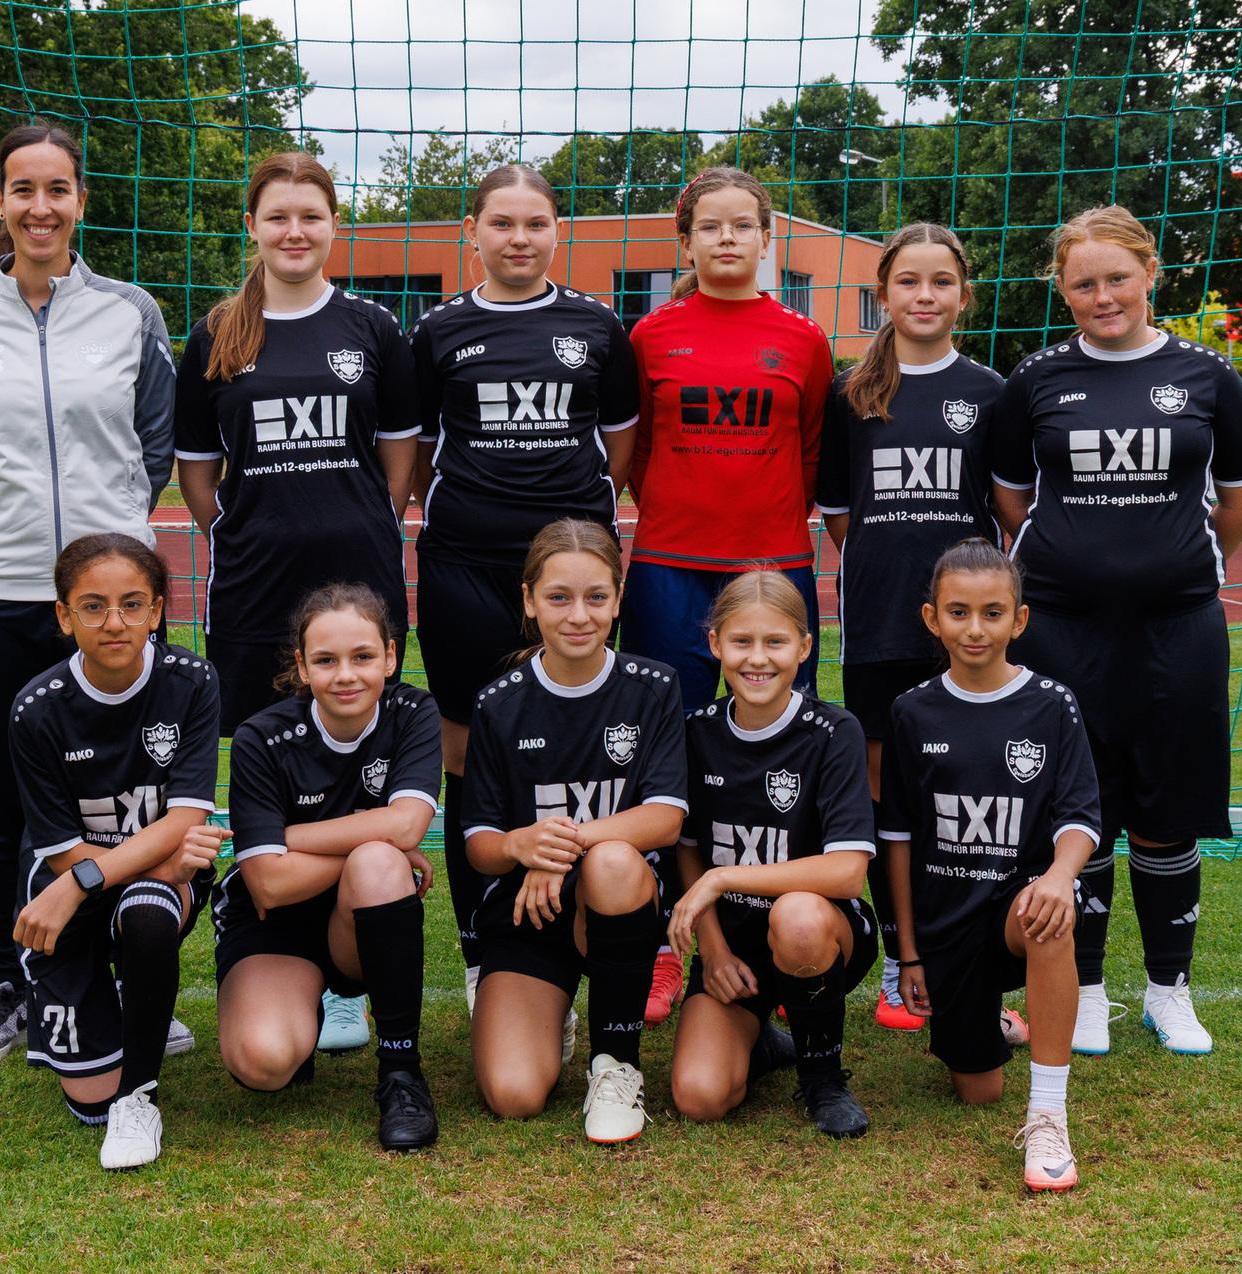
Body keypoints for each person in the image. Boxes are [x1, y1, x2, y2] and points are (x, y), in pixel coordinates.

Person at [0, 122, 180, 1066]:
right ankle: (11, 984)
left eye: (57, 189)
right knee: (13, 805)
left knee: (129, 799)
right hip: (0, 593)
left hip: (113, 598)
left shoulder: (130, 312)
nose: (40, 207)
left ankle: (128, 975)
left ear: (80, 201)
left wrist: (111, 551)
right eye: (22, 189)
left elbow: (154, 444)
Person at [991, 206, 1242, 1056]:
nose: (1102, 295)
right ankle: (1084, 993)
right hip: (1059, 629)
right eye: (1083, 283)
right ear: (1062, 290)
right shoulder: (1035, 378)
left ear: (1150, 274)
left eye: (1116, 277)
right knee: (1080, 809)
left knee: (1165, 812)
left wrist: (1174, 563)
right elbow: (1011, 499)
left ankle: (1167, 991)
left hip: (1176, 629)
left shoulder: (1206, 376)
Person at [175, 151, 420, 1051]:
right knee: (267, 759)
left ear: (332, 225)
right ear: (252, 226)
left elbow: (398, 458)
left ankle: (344, 971)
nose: (294, 231)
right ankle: (264, 927)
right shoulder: (216, 334)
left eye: (310, 215)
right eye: (277, 215)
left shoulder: (372, 328)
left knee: (353, 753)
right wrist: (249, 530)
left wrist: (352, 523)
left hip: (358, 584)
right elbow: (198, 474)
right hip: (255, 592)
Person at [407, 164, 640, 1016]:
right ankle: (483, 947)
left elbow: (618, 442)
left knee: (578, 747)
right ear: (470, 232)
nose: (518, 239)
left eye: (534, 223)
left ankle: (581, 928)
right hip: (464, 566)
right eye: (501, 223)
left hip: (569, 571)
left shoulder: (596, 326)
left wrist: (574, 524)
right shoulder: (437, 330)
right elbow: (420, 450)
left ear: (556, 232)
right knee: (469, 752)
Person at [623, 166, 836, 1025]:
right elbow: (636, 452)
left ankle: (787, 933)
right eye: (708, 226)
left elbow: (811, 451)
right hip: (669, 566)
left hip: (771, 568)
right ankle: (660, 942)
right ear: (685, 242)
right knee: (659, 756)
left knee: (783, 753)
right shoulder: (649, 335)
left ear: (764, 237)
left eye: (741, 225)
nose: (725, 239)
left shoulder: (804, 339)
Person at [818, 221, 1003, 1034]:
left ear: (963, 296)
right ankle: (900, 961)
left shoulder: (990, 392)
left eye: (940, 282)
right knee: (886, 798)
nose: (924, 296)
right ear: (882, 294)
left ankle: (967, 965)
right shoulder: (849, 394)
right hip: (879, 626)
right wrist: (886, 573)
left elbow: (1005, 512)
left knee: (966, 798)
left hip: (964, 636)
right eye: (907, 282)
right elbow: (839, 515)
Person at [877, 538, 1100, 1191]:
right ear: (932, 619)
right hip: (947, 926)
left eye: (992, 613)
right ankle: (991, 1018)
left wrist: (1059, 876)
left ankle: (1049, 1116)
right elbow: (897, 840)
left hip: (1015, 909)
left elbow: (1080, 818)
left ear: (1018, 620)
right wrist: (907, 955)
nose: (975, 628)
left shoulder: (1052, 704)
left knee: (1049, 915)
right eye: (959, 612)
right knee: (977, 1089)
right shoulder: (912, 711)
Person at [462, 519, 688, 1144]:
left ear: (618, 600)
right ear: (530, 601)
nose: (579, 615)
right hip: (530, 913)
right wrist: (518, 844)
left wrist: (560, 848)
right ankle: (551, 1013)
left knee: (612, 860)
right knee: (513, 1095)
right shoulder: (498, 703)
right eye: (559, 597)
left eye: (596, 597)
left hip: (616, 899)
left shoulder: (653, 687)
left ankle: (616, 1064)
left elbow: (665, 817)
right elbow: (480, 846)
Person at [9, 533, 226, 1171]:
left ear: (156, 611)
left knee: (149, 910)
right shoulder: (36, 710)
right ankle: (117, 1000)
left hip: (116, 882)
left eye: (132, 604)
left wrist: (86, 881)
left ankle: (139, 1097)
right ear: (64, 616)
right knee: (88, 1102)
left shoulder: (192, 681)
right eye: (93, 606)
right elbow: (60, 854)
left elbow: (186, 818)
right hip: (69, 881)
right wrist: (136, 867)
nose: (114, 622)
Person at [211, 584, 443, 1152]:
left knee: (380, 863)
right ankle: (302, 1013)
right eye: (325, 660)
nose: (346, 675)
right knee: (263, 1064)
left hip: (360, 920)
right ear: (301, 666)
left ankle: (401, 1072)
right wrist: (374, 836)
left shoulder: (413, 712)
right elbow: (268, 883)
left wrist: (287, 839)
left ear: (390, 656)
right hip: (275, 925)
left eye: (363, 656)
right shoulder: (261, 737)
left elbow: (408, 825)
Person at [668, 572, 878, 1138]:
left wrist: (723, 879)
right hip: (734, 944)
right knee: (700, 1095)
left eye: (775, 642)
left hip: (820, 932)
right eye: (741, 642)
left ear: (805, 647)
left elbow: (848, 872)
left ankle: (822, 1076)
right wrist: (713, 951)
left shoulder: (834, 732)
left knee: (798, 914)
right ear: (715, 644)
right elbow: (688, 851)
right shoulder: (695, 733)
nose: (757, 659)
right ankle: (760, 1043)